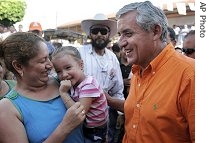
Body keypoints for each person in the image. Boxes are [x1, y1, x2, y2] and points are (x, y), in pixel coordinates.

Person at [116, 1, 195, 143]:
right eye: (120, 35)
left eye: (128, 33)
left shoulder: (191, 75)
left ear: (155, 31)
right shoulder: (137, 71)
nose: (121, 42)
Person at [0, 32, 85, 143]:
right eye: (42, 60)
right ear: (19, 66)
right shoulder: (7, 108)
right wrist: (65, 127)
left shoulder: (63, 82)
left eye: (48, 57)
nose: (50, 65)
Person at [79, 13, 125, 143]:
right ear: (90, 34)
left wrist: (121, 114)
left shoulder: (112, 58)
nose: (99, 34)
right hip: (81, 112)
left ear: (108, 35)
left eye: (103, 31)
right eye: (95, 31)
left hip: (105, 115)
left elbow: (118, 89)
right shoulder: (79, 53)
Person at [51, 46, 108, 143]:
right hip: (88, 126)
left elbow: (78, 114)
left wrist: (63, 93)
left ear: (81, 65)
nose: (64, 74)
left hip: (95, 130)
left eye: (68, 67)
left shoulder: (88, 85)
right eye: (59, 71)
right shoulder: (74, 82)